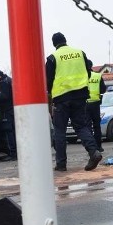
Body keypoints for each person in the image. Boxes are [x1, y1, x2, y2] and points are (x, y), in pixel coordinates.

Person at [45, 32, 103, 172]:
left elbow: (48, 81)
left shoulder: (53, 58)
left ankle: (61, 164)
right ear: (65, 40)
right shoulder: (80, 53)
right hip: (80, 96)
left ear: (54, 44)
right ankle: (94, 152)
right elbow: (88, 73)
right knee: (81, 126)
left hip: (61, 99)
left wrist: (51, 98)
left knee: (60, 131)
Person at [0, 70, 17, 160]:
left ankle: (12, 154)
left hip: (7, 110)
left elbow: (5, 96)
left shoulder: (3, 83)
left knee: (8, 132)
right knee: (13, 132)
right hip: (12, 109)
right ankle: (15, 153)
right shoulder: (9, 80)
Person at [85, 60, 108, 152]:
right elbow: (103, 89)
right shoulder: (97, 76)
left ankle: (92, 147)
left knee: (87, 126)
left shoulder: (82, 76)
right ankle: (99, 146)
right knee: (97, 126)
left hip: (85, 104)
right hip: (95, 104)